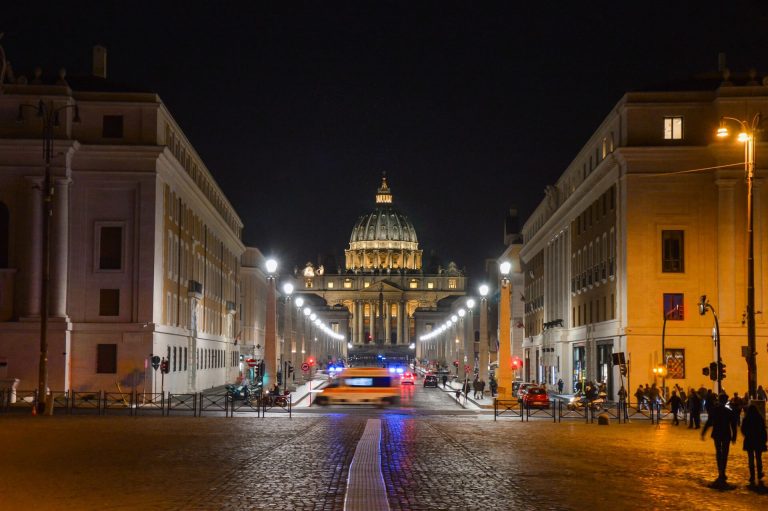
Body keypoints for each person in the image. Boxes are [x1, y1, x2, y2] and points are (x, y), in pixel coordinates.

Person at [701, 393, 738, 484]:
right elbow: (733, 425)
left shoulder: (715, 410)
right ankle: (722, 472)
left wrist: (704, 432)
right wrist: (734, 436)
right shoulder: (729, 411)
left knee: (718, 452)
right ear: (726, 400)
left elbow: (709, 422)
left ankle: (720, 472)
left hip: (717, 433)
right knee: (725, 454)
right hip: (726, 434)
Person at [741, 403, 767, 485]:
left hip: (749, 440)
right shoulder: (760, 418)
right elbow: (763, 431)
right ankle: (759, 473)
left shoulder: (746, 419)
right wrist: (764, 440)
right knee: (758, 458)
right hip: (758, 440)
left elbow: (743, 429)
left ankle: (752, 475)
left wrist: (747, 435)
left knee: (751, 458)